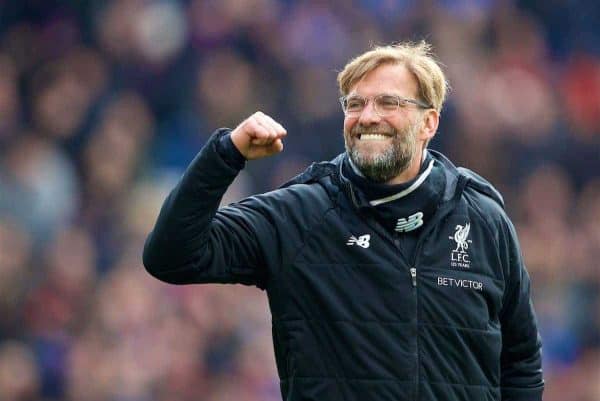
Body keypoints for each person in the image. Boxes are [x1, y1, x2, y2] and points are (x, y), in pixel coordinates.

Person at [143, 41, 544, 401]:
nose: (367, 116)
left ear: (429, 123)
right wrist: (226, 154)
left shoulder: (484, 220)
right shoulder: (301, 215)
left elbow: (521, 362)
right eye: (355, 104)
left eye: (388, 103)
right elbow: (171, 256)